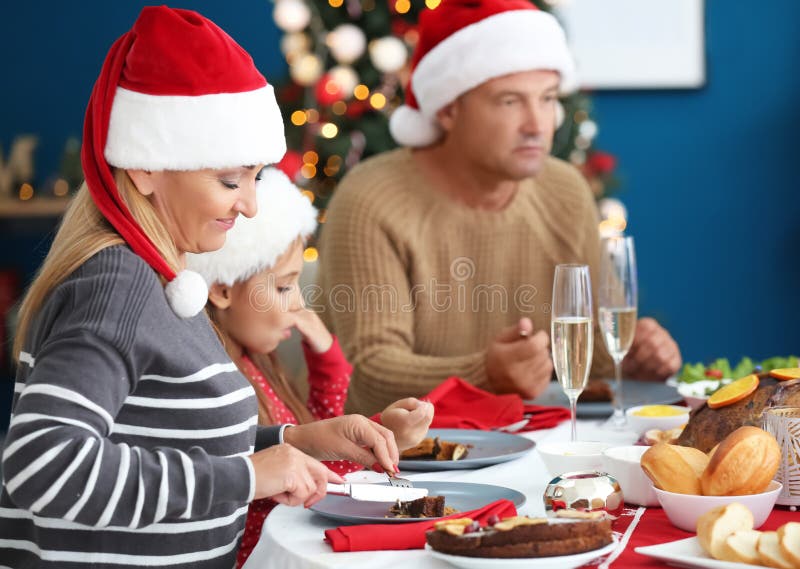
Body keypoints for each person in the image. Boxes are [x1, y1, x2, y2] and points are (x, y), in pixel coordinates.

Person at [0, 7, 399, 568]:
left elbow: (163, 439)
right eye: (229, 180)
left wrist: (294, 442)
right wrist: (245, 476)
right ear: (145, 169)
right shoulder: (117, 287)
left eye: (255, 177)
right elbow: (44, 464)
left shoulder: (164, 282)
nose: (250, 204)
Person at [317, 0, 682, 415]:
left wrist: (631, 359)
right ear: (449, 108)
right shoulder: (372, 199)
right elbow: (368, 372)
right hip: (400, 460)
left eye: (546, 99)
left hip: (535, 440)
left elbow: (588, 353)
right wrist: (483, 373)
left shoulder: (565, 190)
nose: (537, 125)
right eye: (510, 102)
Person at [186, 167, 433, 566]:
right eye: (284, 286)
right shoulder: (224, 387)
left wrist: (328, 362)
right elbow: (312, 471)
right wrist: (379, 437)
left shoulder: (257, 363)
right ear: (222, 288)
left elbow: (315, 431)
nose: (299, 302)